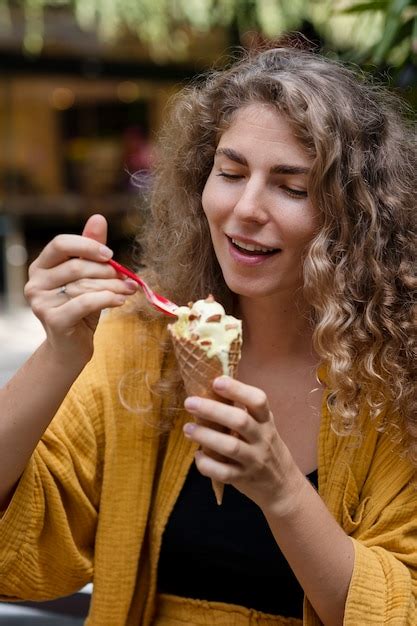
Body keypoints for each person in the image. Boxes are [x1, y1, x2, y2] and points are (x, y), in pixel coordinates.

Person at [0, 44, 416, 626]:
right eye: (231, 172)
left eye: (291, 188)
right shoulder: (140, 340)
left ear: (355, 217)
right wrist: (58, 355)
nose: (245, 208)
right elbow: (16, 559)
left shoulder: (397, 379)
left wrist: (282, 491)